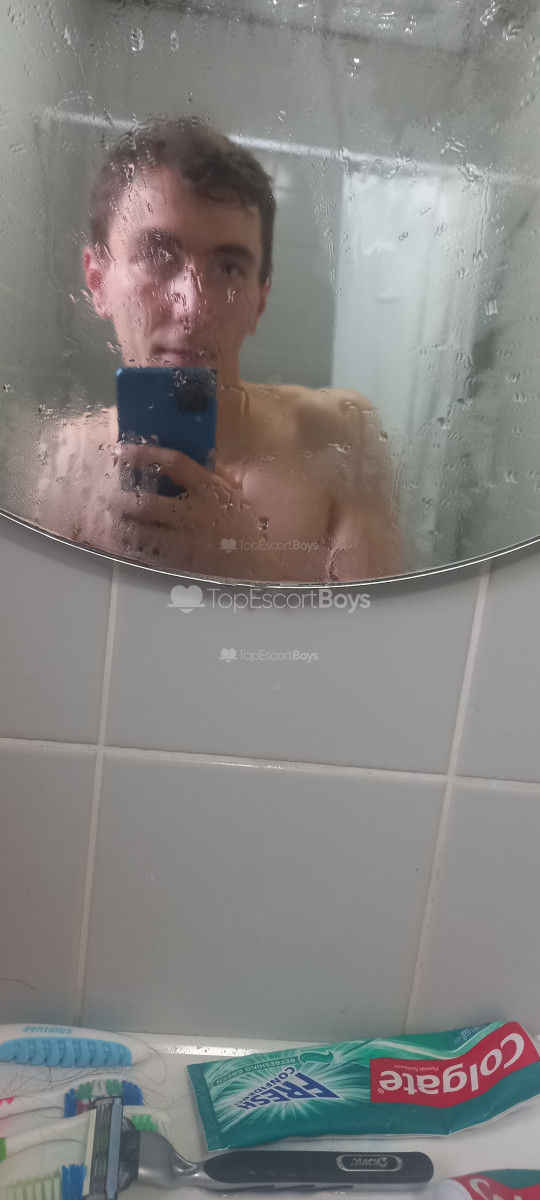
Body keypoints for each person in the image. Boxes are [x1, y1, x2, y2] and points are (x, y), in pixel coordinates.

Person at [34, 117, 401, 583]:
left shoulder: (340, 435)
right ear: (97, 281)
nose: (193, 307)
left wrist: (247, 568)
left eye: (228, 268)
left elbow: (378, 627)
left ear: (259, 301)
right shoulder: (66, 457)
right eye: (157, 256)